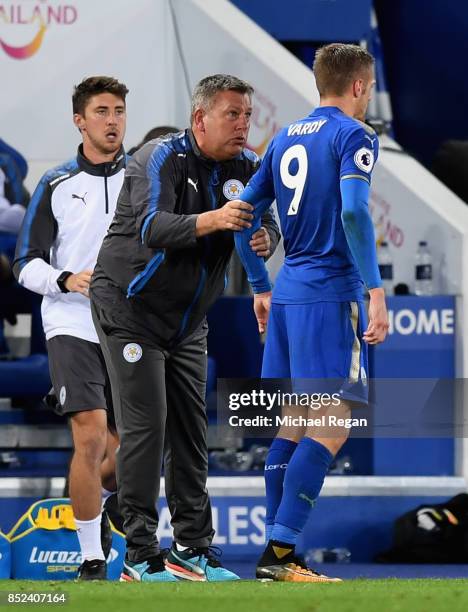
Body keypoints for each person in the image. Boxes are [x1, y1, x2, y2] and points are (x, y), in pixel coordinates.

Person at [90, 74, 280, 583]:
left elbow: (269, 221)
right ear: (200, 119)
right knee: (147, 428)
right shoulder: (158, 157)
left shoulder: (250, 165)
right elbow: (153, 227)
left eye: (247, 115)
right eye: (232, 115)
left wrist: (265, 238)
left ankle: (192, 550)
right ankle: (139, 552)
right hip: (129, 310)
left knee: (192, 431)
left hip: (188, 321)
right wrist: (215, 219)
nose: (244, 125)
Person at [234, 43, 389, 582]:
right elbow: (352, 209)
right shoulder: (354, 135)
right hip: (330, 292)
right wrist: (375, 289)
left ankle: (280, 555)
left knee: (296, 423)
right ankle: (279, 554)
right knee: (333, 423)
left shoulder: (283, 139)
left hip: (289, 291)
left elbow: (241, 213)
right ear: (360, 86)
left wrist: (258, 284)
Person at [13, 76, 129, 581]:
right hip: (71, 324)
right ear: (80, 120)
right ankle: (91, 560)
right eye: (102, 111)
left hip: (132, 328)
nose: (112, 120)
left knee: (133, 451)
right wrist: (65, 278)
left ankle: (97, 502)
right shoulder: (56, 183)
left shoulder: (144, 180)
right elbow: (23, 264)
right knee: (90, 437)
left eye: (120, 111)